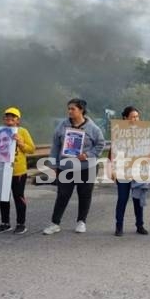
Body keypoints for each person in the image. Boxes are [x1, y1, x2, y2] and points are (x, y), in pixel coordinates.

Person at [43, 98, 106, 235]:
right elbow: (56, 145)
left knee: (84, 195)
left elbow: (101, 145)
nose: (69, 111)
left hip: (86, 167)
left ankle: (81, 221)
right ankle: (55, 223)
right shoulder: (62, 126)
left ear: (81, 110)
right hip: (66, 167)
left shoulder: (93, 128)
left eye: (73, 109)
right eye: (69, 108)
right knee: (62, 194)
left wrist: (88, 154)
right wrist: (53, 164)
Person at [0, 107, 35, 235]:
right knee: (3, 198)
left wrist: (21, 143)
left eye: (13, 117)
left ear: (18, 120)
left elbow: (31, 149)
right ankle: (5, 223)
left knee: (18, 197)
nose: (9, 119)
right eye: (7, 117)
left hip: (18, 171)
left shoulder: (22, 131)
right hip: (3, 170)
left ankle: (21, 223)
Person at [112, 106, 149, 236]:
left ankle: (140, 225)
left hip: (138, 170)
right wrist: (113, 169)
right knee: (122, 198)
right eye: (132, 116)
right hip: (123, 170)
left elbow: (148, 151)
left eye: (137, 116)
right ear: (125, 118)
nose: (135, 119)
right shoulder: (118, 132)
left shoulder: (143, 132)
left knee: (138, 198)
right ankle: (119, 226)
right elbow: (113, 153)